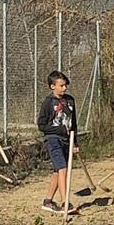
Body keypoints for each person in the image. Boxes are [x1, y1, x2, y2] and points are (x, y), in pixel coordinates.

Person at [37, 70, 77, 214]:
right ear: (52, 86)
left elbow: (74, 124)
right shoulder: (48, 103)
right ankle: (65, 202)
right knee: (63, 169)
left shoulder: (70, 101)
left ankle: (48, 201)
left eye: (65, 85)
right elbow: (41, 125)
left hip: (67, 140)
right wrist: (58, 130)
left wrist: (75, 142)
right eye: (61, 85)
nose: (64, 88)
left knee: (57, 171)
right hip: (53, 140)